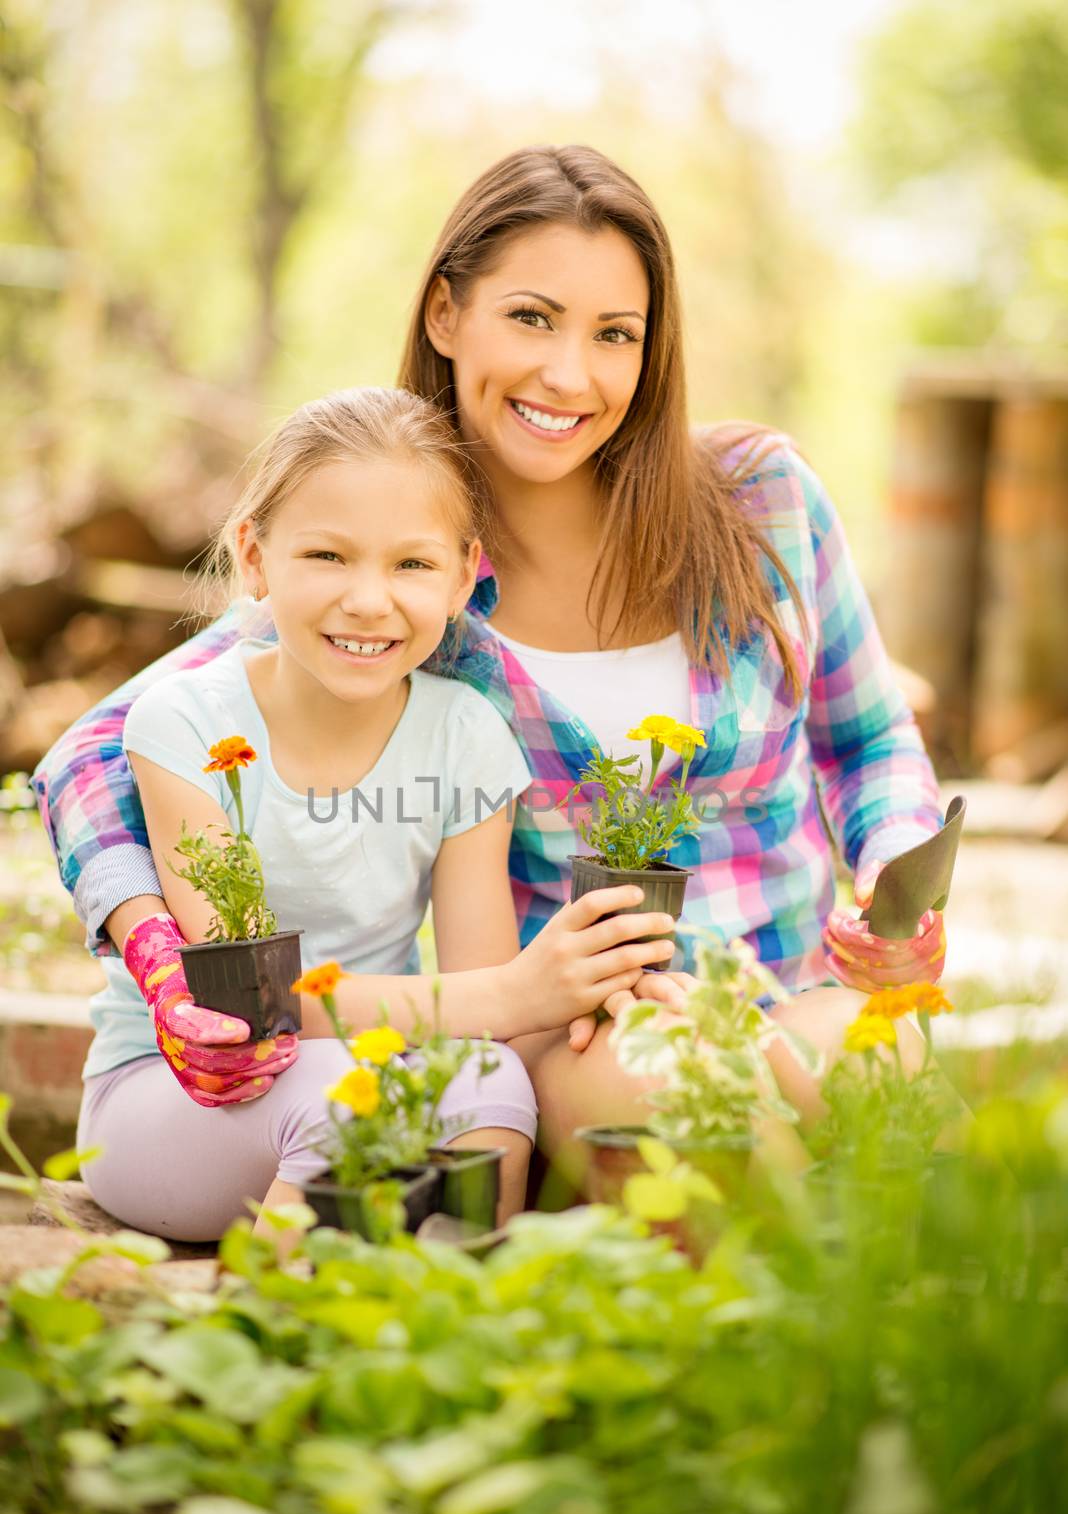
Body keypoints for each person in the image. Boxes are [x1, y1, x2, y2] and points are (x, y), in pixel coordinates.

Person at [35, 145, 946, 1197]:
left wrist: (892, 872)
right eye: (531, 317)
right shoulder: (407, 576)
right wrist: (151, 939)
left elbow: (871, 742)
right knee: (676, 1107)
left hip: (787, 987)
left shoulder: (761, 501)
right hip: (582, 1038)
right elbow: (97, 750)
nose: (570, 374)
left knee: (893, 1062)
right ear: (445, 316)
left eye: (615, 335)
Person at [70, 386, 680, 1239]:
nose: (368, 599)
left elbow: (483, 996)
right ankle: (274, 1308)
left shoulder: (463, 733)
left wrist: (575, 986)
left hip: (365, 1072)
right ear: (253, 555)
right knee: (344, 1098)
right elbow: (250, 1005)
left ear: (466, 575)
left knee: (489, 1080)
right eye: (326, 555)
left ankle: (466, 1292)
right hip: (182, 1095)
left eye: (412, 564)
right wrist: (509, 993)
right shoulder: (184, 724)